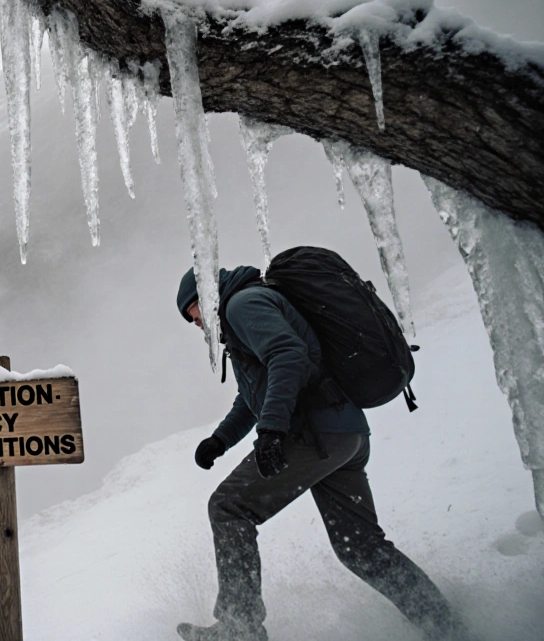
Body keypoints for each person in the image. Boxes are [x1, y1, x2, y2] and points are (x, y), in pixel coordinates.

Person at [174, 265, 469, 641]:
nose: (196, 324)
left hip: (314, 434)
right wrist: (220, 440)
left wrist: (273, 430)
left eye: (193, 313)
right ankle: (447, 627)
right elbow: (252, 397)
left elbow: (287, 354)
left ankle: (240, 625)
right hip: (344, 435)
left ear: (206, 298)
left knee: (229, 507)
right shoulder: (250, 307)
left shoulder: (242, 305)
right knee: (361, 547)